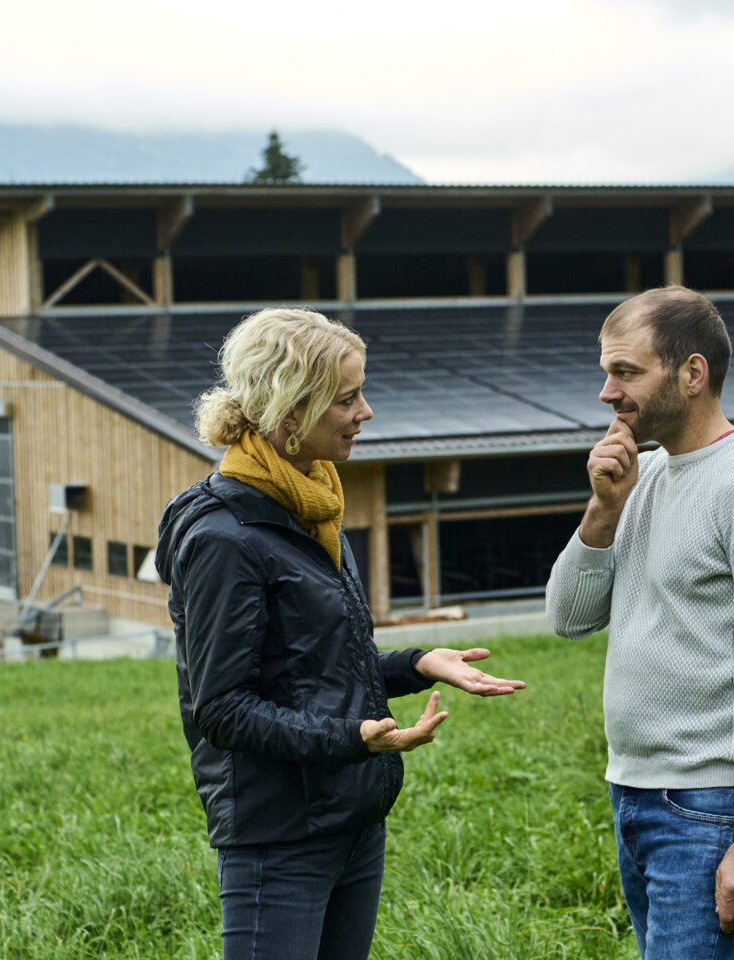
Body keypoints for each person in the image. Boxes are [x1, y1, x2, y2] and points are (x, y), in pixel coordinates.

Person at [154, 307, 525, 960]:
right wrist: (352, 738)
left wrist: (418, 663)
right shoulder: (224, 538)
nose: (365, 412)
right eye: (347, 398)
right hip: (279, 836)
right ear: (290, 412)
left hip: (351, 818)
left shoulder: (313, 505)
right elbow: (223, 708)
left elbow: (315, 669)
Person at [545, 286, 734, 960]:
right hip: (632, 792)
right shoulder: (641, 476)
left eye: (626, 372)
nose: (607, 393)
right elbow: (568, 618)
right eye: (607, 372)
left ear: (692, 373)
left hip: (705, 808)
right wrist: (603, 510)